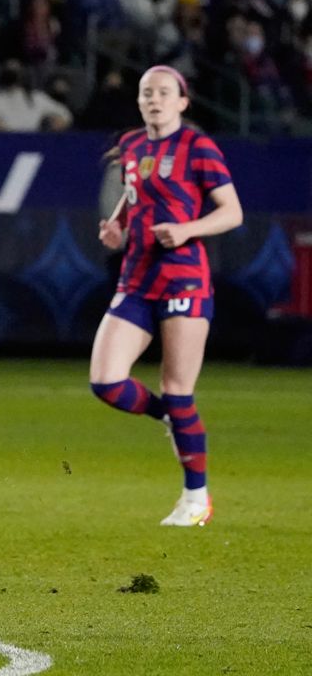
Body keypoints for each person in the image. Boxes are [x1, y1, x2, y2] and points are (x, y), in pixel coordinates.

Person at [89, 65, 243, 527]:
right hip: (136, 276)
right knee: (106, 382)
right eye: (146, 93)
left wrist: (187, 229)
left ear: (182, 101)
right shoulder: (133, 145)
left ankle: (196, 499)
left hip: (184, 278)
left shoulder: (199, 147)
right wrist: (116, 224)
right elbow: (134, 193)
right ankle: (171, 420)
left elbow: (232, 212)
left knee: (179, 387)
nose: (154, 99)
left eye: (163, 92)